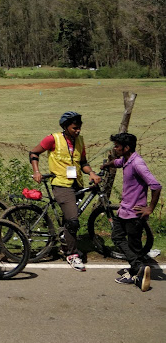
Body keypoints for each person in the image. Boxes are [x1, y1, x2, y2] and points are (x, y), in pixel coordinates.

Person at [29, 111, 101, 271]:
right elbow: (33, 153)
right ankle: (72, 254)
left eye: (80, 127)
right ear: (65, 126)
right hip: (61, 184)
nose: (78, 131)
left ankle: (64, 243)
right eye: (75, 128)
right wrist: (36, 171)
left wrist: (91, 172)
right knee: (73, 221)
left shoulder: (80, 141)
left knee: (69, 219)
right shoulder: (53, 139)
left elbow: (83, 162)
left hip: (77, 184)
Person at [101, 133, 160, 292]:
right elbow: (118, 162)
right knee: (117, 237)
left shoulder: (138, 164)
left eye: (117, 146)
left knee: (133, 245)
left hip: (135, 213)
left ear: (126, 148)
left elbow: (155, 185)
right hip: (124, 210)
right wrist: (107, 165)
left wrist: (150, 208)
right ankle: (137, 268)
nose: (115, 148)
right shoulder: (127, 160)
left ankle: (137, 268)